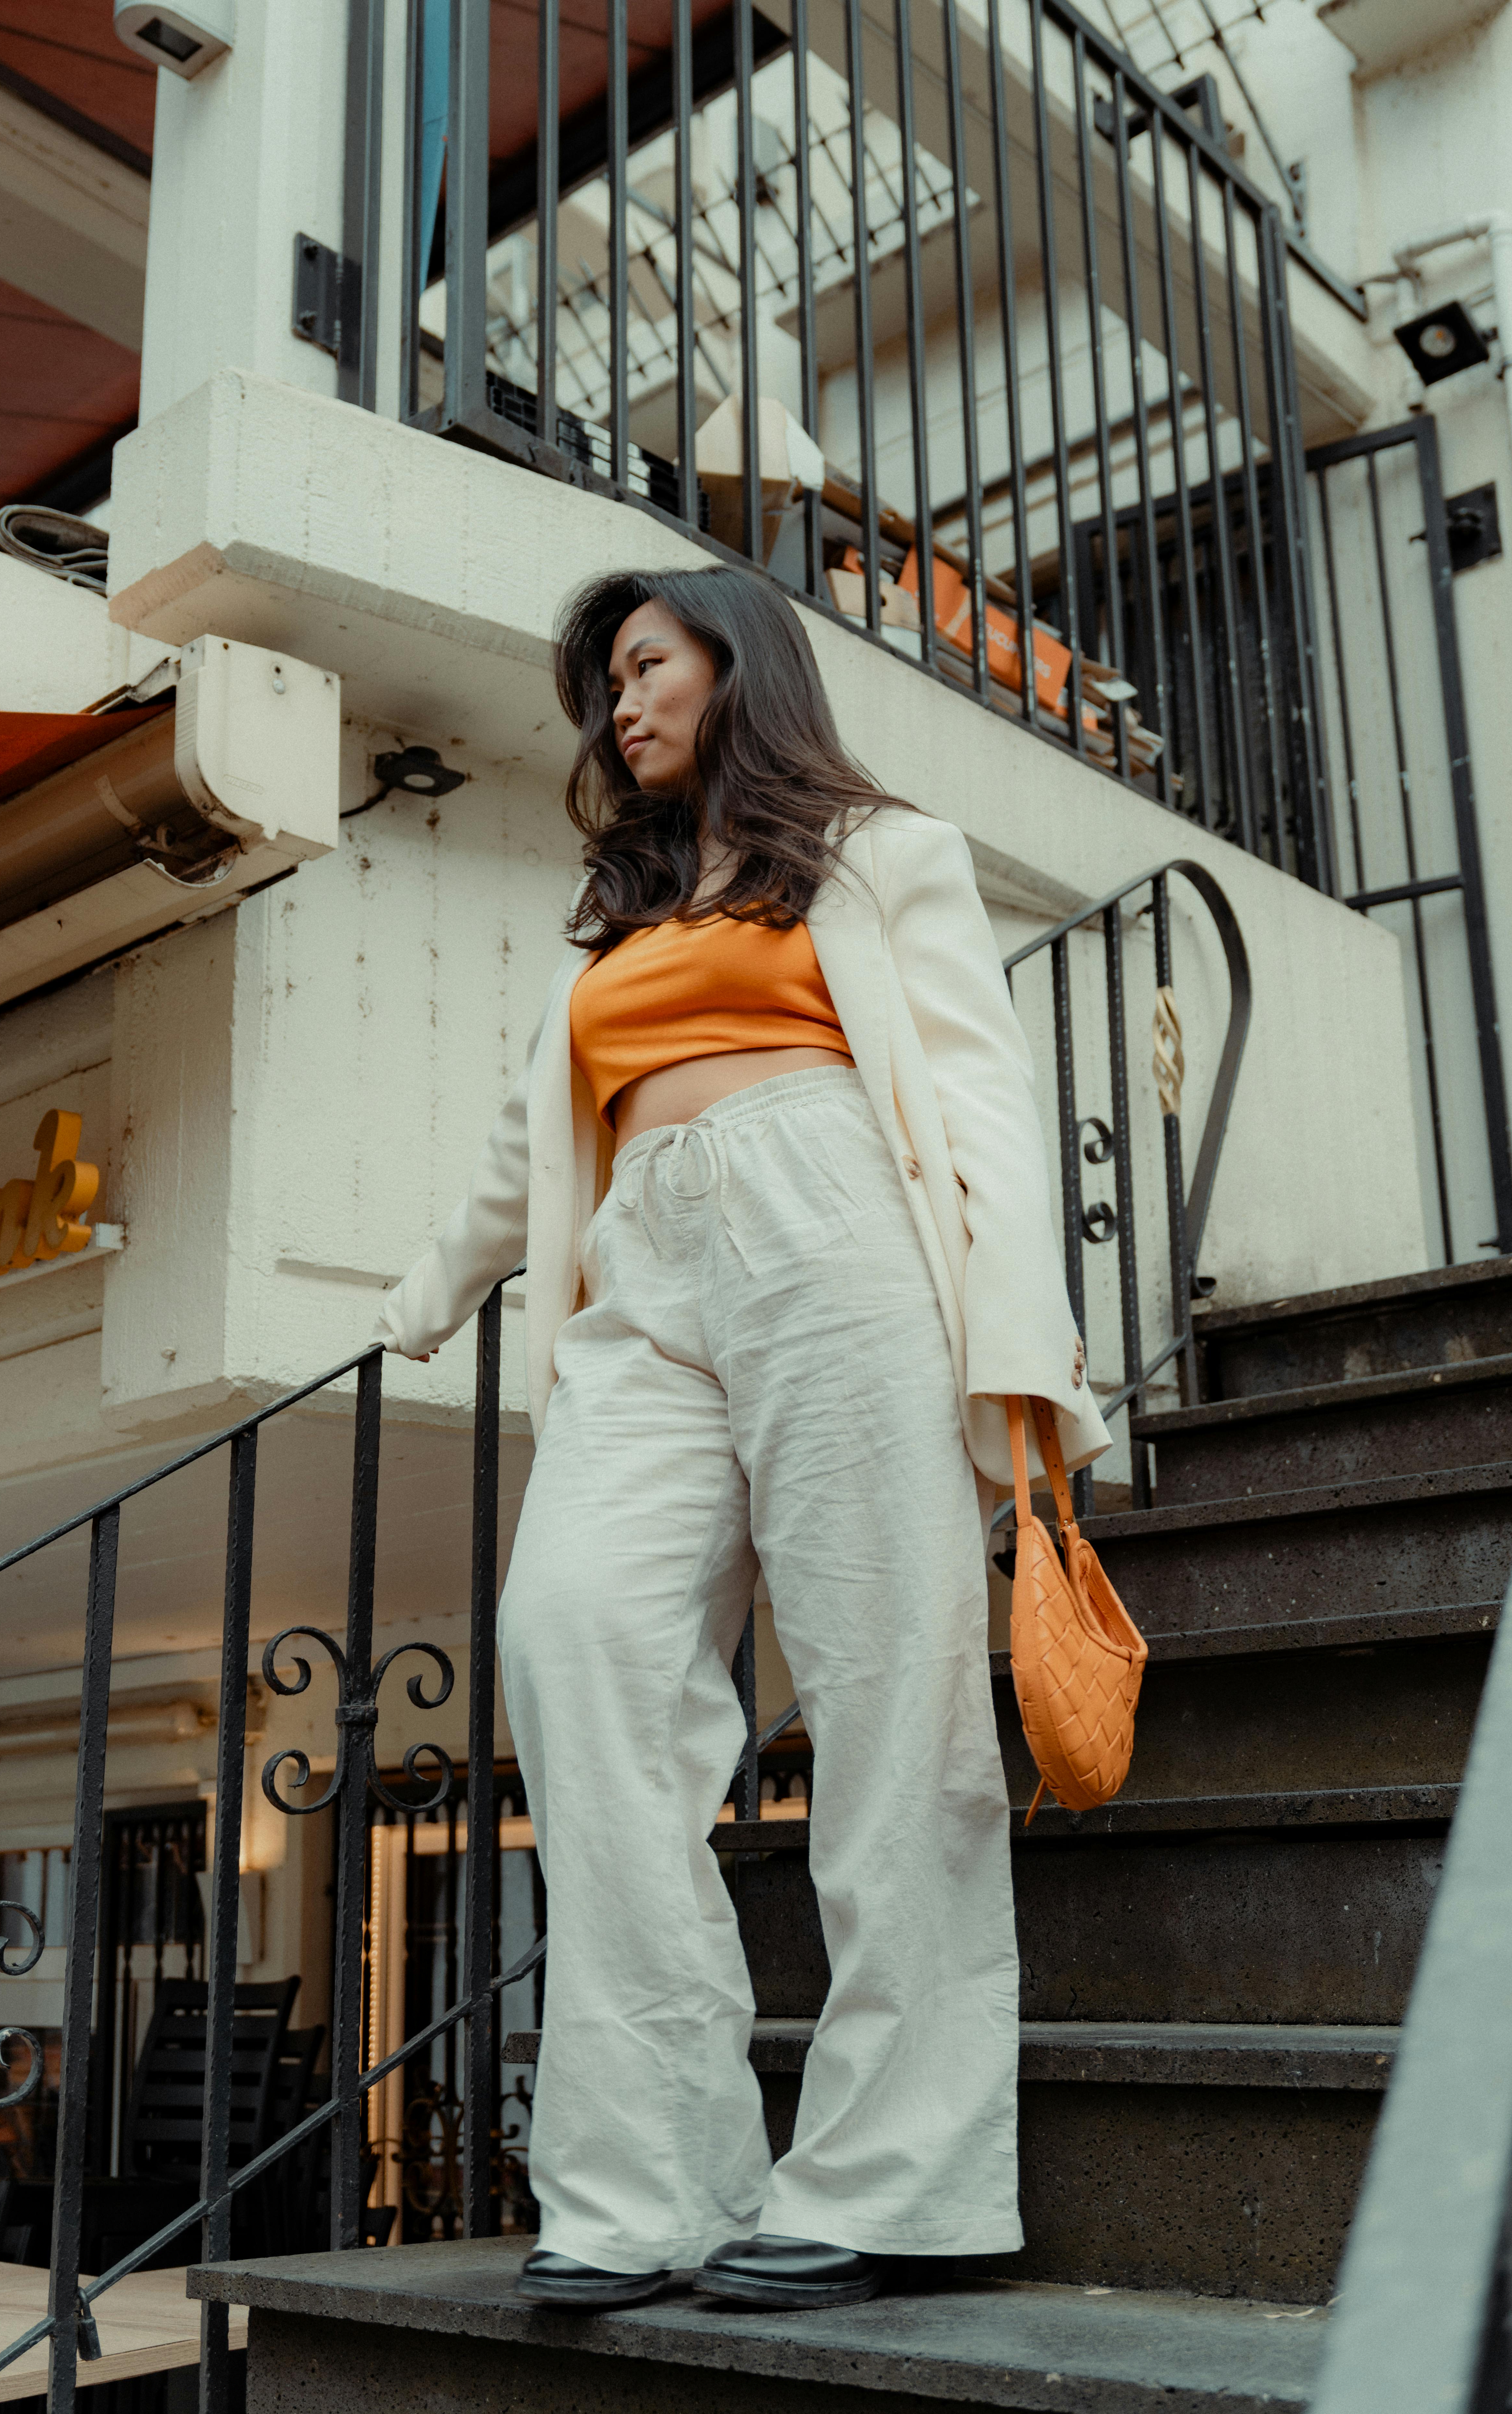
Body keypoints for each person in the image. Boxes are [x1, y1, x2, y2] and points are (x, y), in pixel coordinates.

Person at [375, 564, 1108, 2312]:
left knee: (886, 1690)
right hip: (645, 1273)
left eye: (646, 667)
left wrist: (1019, 1363)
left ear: (737, 661)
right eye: (604, 688)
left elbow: (985, 1107)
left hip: (835, 1230)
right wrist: (419, 1290)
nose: (619, 709)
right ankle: (649, 2184)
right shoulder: (621, 924)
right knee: (575, 1640)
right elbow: (521, 1153)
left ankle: (896, 2180)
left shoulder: (881, 857)